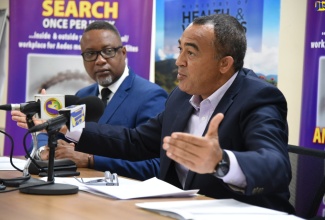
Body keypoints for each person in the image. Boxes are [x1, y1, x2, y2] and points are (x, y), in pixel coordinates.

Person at [13, 14, 294, 213]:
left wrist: (220, 161)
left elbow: (276, 166)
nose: (179, 61)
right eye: (179, 49)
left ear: (225, 63)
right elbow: (137, 141)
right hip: (177, 210)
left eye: (191, 53)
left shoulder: (259, 97)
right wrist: (67, 128)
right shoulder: (180, 97)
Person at [12, 21, 168, 181]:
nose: (99, 60)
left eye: (108, 51)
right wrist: (45, 143)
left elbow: (156, 165)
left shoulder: (151, 96)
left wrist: (90, 160)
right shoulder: (84, 96)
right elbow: (59, 139)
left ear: (123, 53)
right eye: (90, 54)